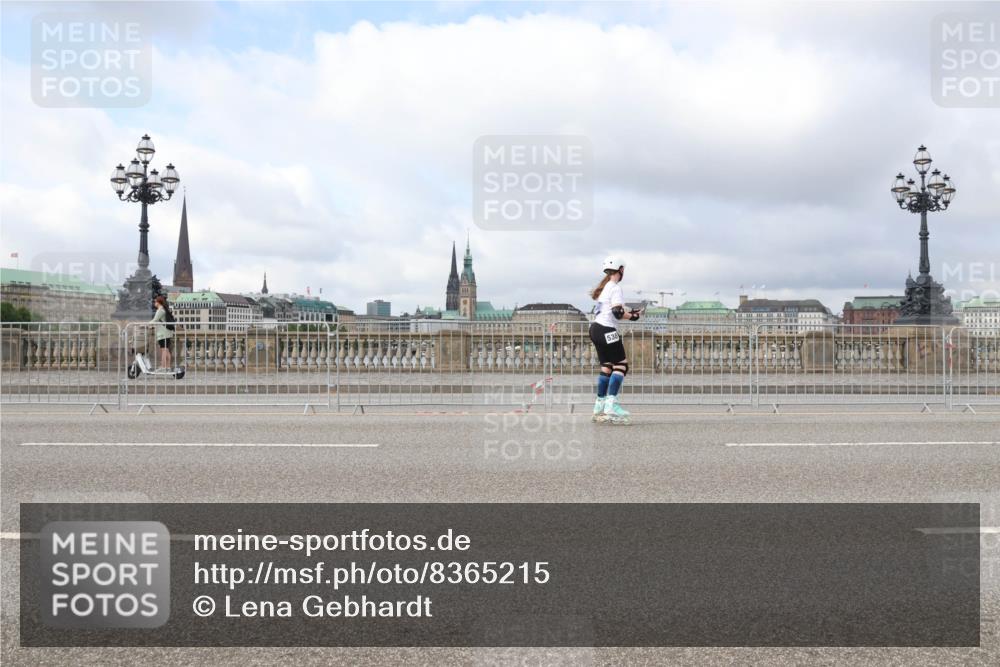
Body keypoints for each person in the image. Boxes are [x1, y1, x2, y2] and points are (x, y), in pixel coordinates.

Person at [589, 256, 641, 423]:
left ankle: (599, 407)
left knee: (607, 367)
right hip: (607, 329)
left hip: (595, 329)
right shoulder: (615, 288)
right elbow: (617, 313)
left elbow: (612, 310)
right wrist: (633, 317)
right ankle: (611, 405)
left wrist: (630, 313)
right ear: (621, 269)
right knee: (621, 366)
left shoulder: (605, 287)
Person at [150, 295, 175, 369]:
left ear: (158, 302)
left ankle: (163, 366)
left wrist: (143, 325)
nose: (154, 303)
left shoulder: (160, 310)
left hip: (163, 333)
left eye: (155, 301)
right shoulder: (163, 309)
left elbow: (155, 320)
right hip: (166, 332)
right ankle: (168, 366)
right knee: (166, 350)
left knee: (164, 350)